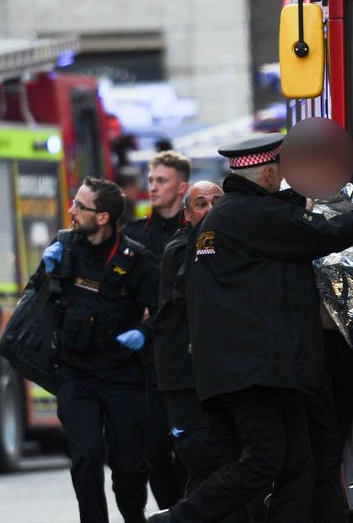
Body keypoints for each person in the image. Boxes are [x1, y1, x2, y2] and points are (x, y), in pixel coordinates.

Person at [150, 133, 353, 522]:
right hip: (254, 372)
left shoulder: (230, 216)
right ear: (270, 173)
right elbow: (318, 234)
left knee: (298, 462)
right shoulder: (250, 215)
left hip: (259, 370)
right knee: (264, 461)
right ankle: (176, 519)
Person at [32, 176, 158, 523]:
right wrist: (45, 272)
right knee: (85, 457)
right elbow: (37, 300)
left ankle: (133, 516)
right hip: (76, 373)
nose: (71, 210)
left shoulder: (136, 259)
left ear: (102, 217)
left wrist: (143, 332)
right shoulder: (64, 248)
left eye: (80, 205)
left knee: (129, 465)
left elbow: (164, 310)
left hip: (122, 375)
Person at [151, 181, 250, 522]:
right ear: (187, 214)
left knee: (220, 462)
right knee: (207, 458)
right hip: (184, 378)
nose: (210, 209)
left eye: (217, 202)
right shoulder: (183, 250)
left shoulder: (218, 243)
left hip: (211, 375)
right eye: (201, 203)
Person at [122, 150, 191, 509]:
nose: (152, 187)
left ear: (182, 188)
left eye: (161, 181)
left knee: (193, 448)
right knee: (154, 450)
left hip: (190, 355)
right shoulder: (134, 235)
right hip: (148, 363)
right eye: (150, 180)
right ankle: (171, 511)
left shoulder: (197, 231)